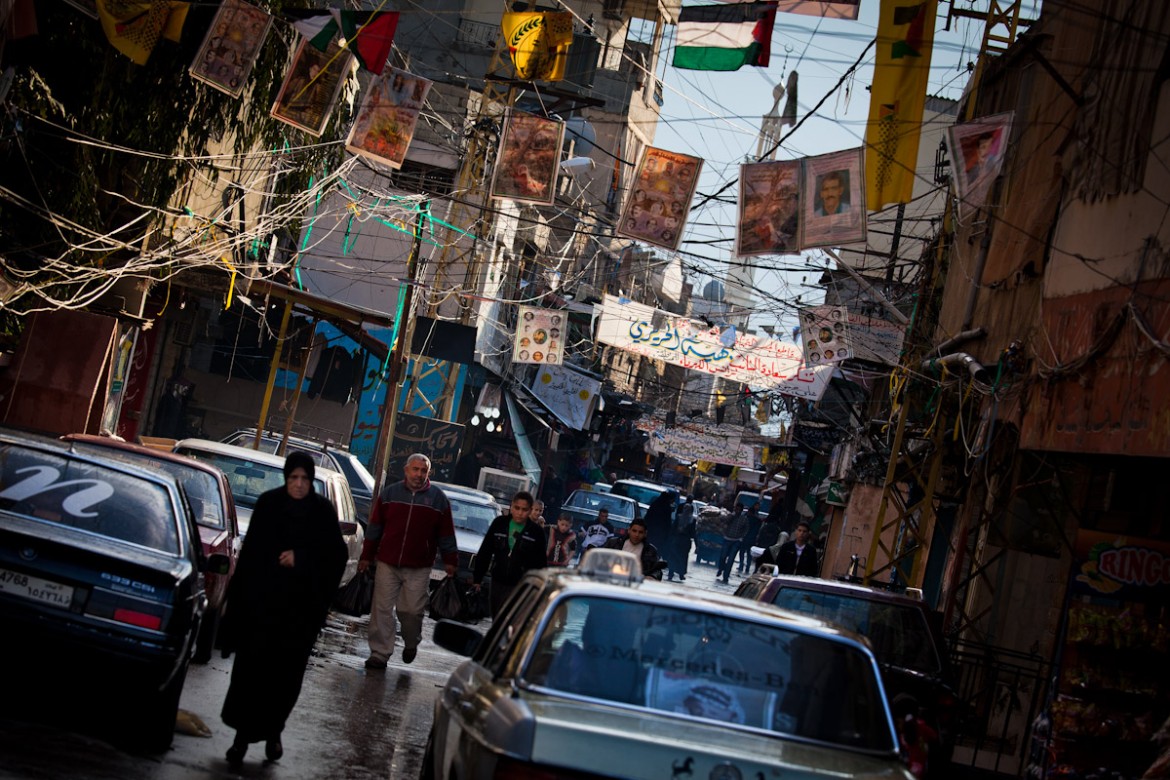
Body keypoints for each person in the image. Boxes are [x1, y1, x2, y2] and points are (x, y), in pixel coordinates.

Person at [220, 452, 347, 766]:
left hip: (298, 616)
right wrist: (235, 608)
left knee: (284, 680)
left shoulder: (321, 513)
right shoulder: (268, 505)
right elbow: (249, 558)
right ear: (286, 478)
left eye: (305, 479)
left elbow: (335, 557)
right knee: (250, 676)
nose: (300, 484)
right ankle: (241, 740)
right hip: (261, 610)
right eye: (294, 478)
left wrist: (301, 559)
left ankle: (275, 731)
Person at [359, 453, 458, 670]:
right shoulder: (390, 494)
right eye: (415, 469)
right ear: (406, 470)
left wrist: (451, 560)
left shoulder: (437, 499)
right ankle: (379, 653)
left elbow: (446, 534)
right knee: (382, 609)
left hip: (419, 566)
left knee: (411, 611)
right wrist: (366, 556)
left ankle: (411, 641)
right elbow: (375, 528)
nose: (419, 474)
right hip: (388, 561)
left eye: (423, 471)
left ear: (428, 473)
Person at [473, 491, 547, 617]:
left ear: (529, 511)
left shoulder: (536, 532)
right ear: (511, 507)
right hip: (497, 581)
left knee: (510, 620)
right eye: (517, 508)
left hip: (521, 585)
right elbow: (485, 551)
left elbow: (540, 563)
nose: (519, 513)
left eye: (524, 510)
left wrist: (538, 589)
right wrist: (477, 579)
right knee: (496, 618)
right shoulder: (499, 524)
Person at [715, 505, 750, 584]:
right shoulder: (730, 516)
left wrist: (742, 537)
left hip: (736, 541)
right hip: (727, 539)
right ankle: (721, 568)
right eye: (736, 509)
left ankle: (726, 576)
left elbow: (746, 529)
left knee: (731, 559)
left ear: (741, 510)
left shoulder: (744, 519)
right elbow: (724, 522)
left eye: (738, 509)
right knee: (723, 556)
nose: (737, 511)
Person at [668, 495, 696, 582]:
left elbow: (673, 529)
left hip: (677, 540)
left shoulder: (680, 517)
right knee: (682, 558)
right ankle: (680, 574)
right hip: (684, 541)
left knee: (674, 557)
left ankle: (671, 573)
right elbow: (693, 533)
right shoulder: (691, 520)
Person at [643, 491, 676, 558]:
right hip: (660, 534)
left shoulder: (655, 504)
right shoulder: (667, 507)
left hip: (651, 531)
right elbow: (667, 522)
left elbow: (647, 517)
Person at [737, 505, 762, 575]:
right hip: (752, 540)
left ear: (749, 512)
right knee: (749, 554)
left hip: (745, 538)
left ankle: (741, 565)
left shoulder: (746, 519)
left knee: (742, 552)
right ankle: (747, 567)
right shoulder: (757, 521)